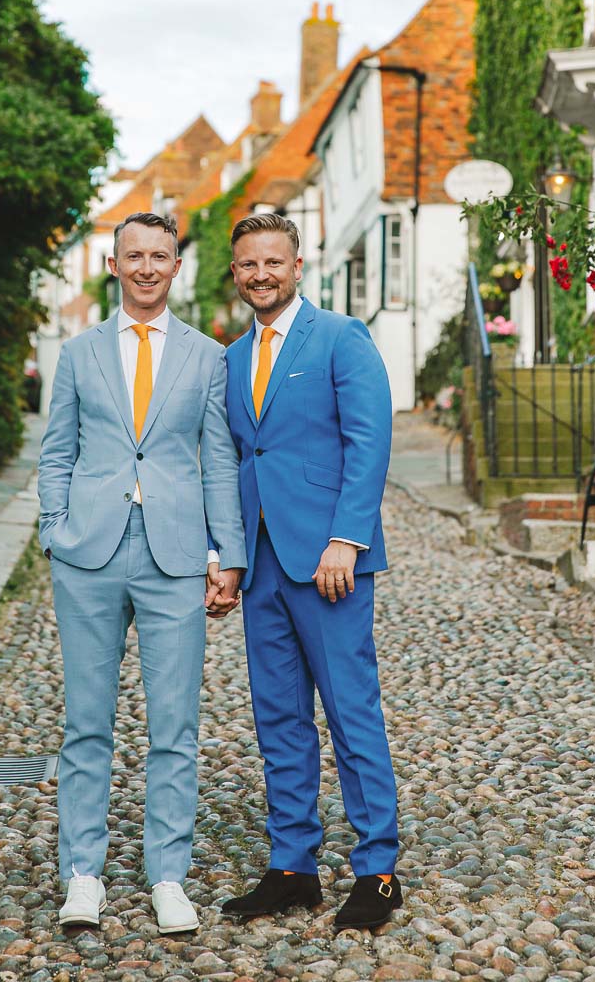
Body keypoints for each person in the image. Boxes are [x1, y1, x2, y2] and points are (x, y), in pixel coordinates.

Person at [38, 211, 246, 933]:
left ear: (176, 266)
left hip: (175, 556)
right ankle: (82, 874)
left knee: (175, 726)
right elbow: (57, 451)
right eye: (135, 256)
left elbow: (218, 461)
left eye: (161, 256)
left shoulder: (207, 357)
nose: (148, 267)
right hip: (88, 553)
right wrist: (53, 532)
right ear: (115, 265)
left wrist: (228, 554)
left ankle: (168, 877)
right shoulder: (79, 353)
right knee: (86, 722)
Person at [214, 212, 401, 930]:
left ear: (297, 266)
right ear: (236, 273)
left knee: (351, 711)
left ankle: (378, 871)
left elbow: (369, 440)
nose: (260, 274)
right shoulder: (234, 357)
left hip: (330, 562)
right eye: (248, 264)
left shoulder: (341, 338)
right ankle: (293, 867)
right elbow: (240, 459)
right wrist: (227, 557)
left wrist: (346, 539)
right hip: (262, 563)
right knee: (279, 718)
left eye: (273, 262)